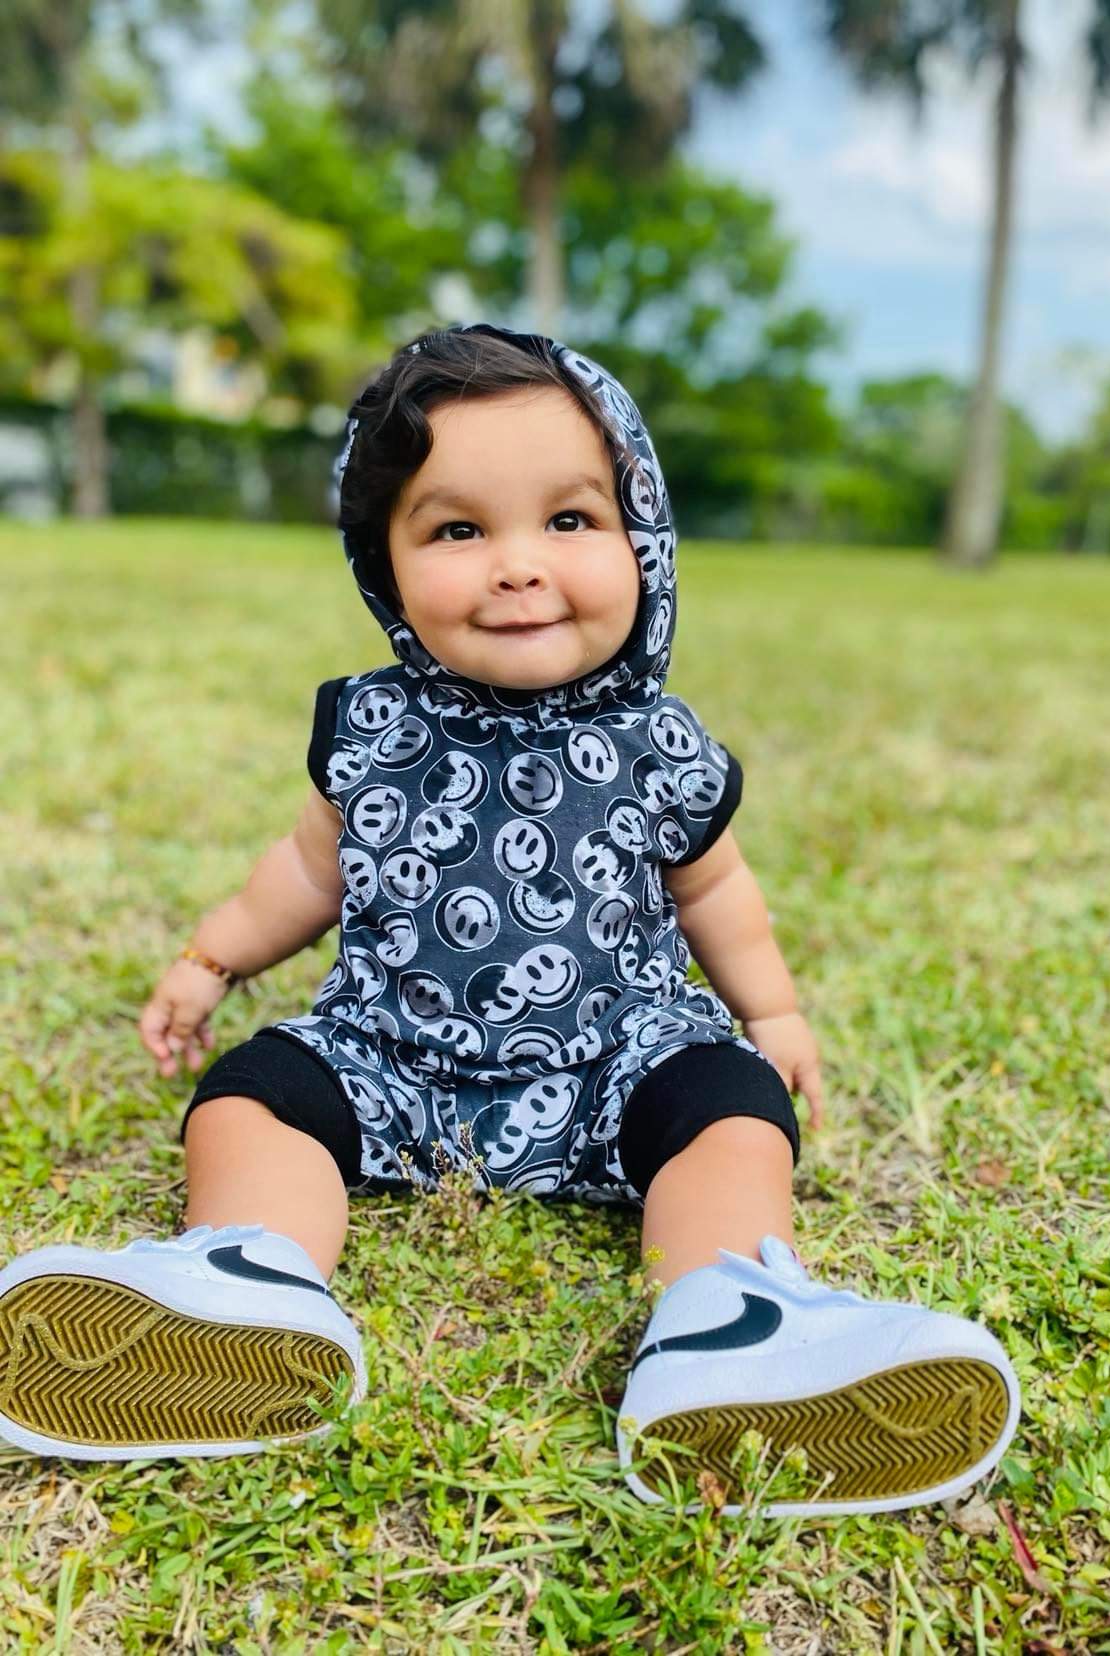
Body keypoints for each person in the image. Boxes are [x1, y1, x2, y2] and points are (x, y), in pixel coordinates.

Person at [0, 322, 1020, 1517]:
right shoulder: (373, 729)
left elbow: (715, 890)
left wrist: (774, 1012)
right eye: (459, 529)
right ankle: (253, 1275)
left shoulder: (657, 742)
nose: (518, 564)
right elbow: (305, 868)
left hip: (617, 1061)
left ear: (642, 535)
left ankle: (729, 1314)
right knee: (249, 1095)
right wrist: (211, 955)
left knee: (734, 1112)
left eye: (571, 521)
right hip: (388, 1058)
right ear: (381, 563)